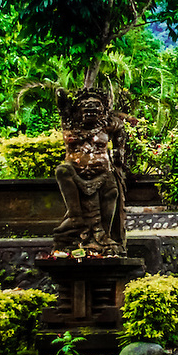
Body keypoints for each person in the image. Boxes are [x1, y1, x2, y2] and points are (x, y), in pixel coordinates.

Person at [52, 88, 127, 255]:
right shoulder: (70, 123)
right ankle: (75, 216)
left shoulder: (106, 126)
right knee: (62, 171)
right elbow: (60, 97)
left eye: (96, 107)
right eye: (86, 107)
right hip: (75, 171)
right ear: (78, 110)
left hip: (102, 172)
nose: (91, 110)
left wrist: (119, 150)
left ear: (102, 111)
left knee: (111, 191)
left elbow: (121, 128)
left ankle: (103, 234)